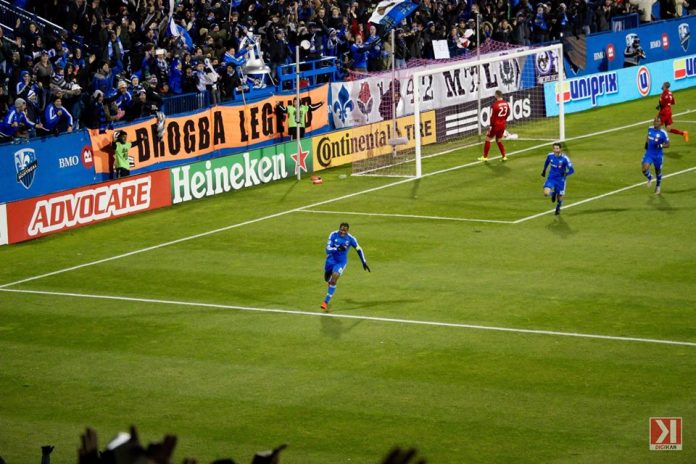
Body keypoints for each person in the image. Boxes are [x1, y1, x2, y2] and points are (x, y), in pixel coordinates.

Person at [321, 222, 370, 311]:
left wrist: (364, 262)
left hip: (341, 262)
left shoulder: (351, 239)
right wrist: (337, 249)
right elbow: (327, 250)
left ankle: (325, 302)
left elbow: (359, 249)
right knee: (327, 278)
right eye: (342, 229)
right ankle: (330, 282)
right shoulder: (333, 235)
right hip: (330, 260)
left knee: (335, 277)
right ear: (339, 228)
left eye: (345, 230)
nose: (343, 231)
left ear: (348, 230)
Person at [541, 142, 575, 215]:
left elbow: (572, 170)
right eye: (554, 148)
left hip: (560, 180)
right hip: (551, 177)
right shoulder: (550, 156)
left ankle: (558, 207)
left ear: (560, 149)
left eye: (557, 148)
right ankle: (553, 194)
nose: (555, 150)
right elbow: (546, 162)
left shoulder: (565, 159)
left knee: (560, 197)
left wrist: (566, 173)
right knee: (546, 193)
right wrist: (544, 170)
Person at [478, 90, 510, 162]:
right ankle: (504, 156)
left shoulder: (494, 105)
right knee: (499, 140)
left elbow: (492, 116)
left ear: (496, 95)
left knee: (488, 138)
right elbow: (508, 113)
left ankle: (485, 157)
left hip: (495, 125)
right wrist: (503, 120)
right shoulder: (506, 103)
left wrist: (491, 126)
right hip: (502, 125)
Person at [642, 116, 670, 195]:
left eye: (657, 121)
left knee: (658, 171)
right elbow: (648, 136)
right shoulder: (650, 128)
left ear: (660, 123)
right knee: (644, 169)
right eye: (654, 121)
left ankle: (658, 186)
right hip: (649, 153)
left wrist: (660, 146)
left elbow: (668, 145)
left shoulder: (663, 133)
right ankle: (650, 177)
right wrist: (646, 143)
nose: (655, 122)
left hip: (658, 155)